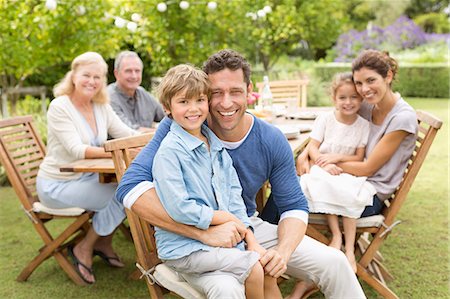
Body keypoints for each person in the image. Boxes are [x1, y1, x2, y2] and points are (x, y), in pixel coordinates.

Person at [116, 49, 365, 298]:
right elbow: (130, 188)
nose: (226, 103)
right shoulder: (181, 127)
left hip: (244, 225)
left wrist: (283, 253)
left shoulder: (269, 139)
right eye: (216, 93)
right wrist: (204, 232)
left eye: (235, 91)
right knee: (229, 288)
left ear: (249, 90)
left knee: (335, 262)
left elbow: (293, 205)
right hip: (192, 240)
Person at [292, 50, 418, 298]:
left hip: (370, 196)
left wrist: (323, 164)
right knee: (291, 189)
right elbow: (333, 130)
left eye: (371, 80)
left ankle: (306, 267)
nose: (363, 89)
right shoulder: (367, 107)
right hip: (348, 183)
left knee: (287, 198)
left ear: (389, 76)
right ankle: (314, 266)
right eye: (359, 83)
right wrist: (305, 154)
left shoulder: (402, 118)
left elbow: (367, 167)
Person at [152, 64, 281, 299]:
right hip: (185, 249)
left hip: (220, 244)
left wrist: (250, 239)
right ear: (167, 107)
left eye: (199, 100)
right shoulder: (169, 152)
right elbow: (180, 208)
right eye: (183, 102)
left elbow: (234, 199)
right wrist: (225, 219)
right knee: (255, 267)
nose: (193, 109)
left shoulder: (216, 146)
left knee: (266, 266)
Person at [36, 52, 137, 284]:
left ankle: (103, 241)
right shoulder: (59, 106)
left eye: (97, 76)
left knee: (128, 187)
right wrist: (117, 149)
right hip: (57, 185)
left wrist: (155, 139)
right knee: (122, 194)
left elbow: (127, 134)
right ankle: (85, 247)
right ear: (73, 76)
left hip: (87, 179)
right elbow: (76, 150)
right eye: (86, 75)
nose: (91, 81)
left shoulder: (101, 105)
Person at [300, 72, 374, 273]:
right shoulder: (325, 119)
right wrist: (324, 164)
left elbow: (358, 157)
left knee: (349, 192)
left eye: (354, 97)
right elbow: (313, 147)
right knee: (326, 184)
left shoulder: (363, 125)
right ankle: (336, 235)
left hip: (346, 171)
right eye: (342, 97)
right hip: (323, 169)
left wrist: (337, 158)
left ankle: (349, 249)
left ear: (361, 99)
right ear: (334, 99)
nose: (348, 102)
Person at [108, 51, 165, 132]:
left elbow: (167, 116)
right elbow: (129, 131)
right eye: (128, 71)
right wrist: (159, 132)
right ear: (116, 74)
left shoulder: (143, 94)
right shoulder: (109, 97)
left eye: (137, 71)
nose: (134, 76)